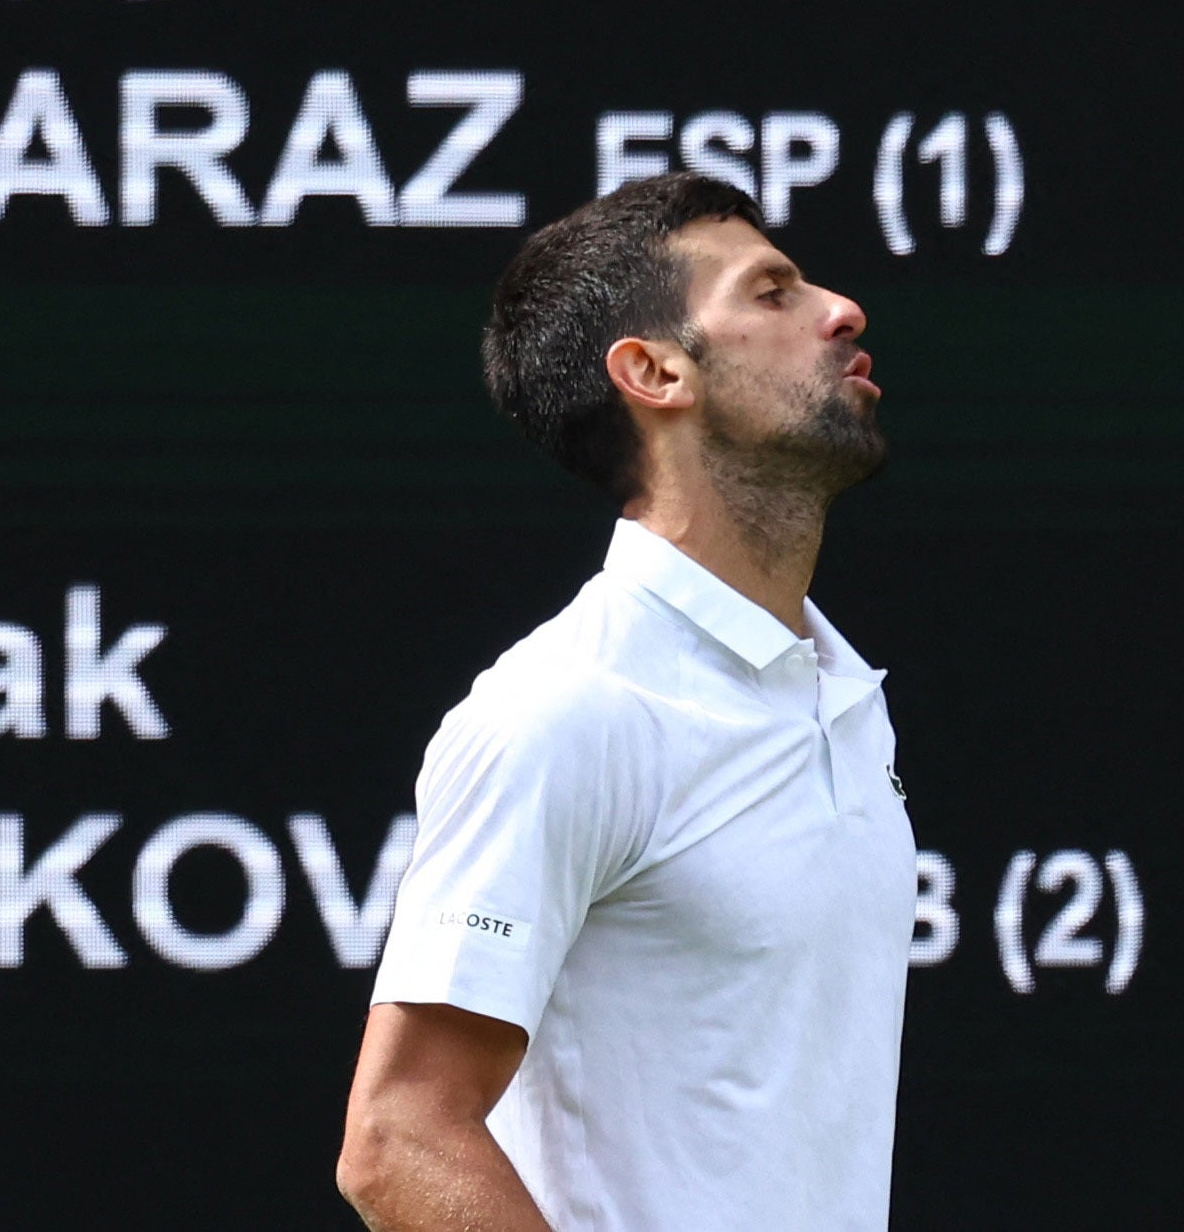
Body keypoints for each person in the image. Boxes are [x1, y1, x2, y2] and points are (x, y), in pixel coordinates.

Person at [336, 171, 917, 1231]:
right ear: (653, 371)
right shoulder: (570, 706)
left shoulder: (841, 696)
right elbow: (400, 1138)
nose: (842, 310)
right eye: (772, 292)